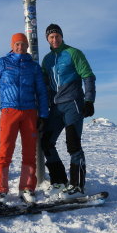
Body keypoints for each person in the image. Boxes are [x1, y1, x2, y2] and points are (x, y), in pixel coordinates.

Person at [0, 33, 49, 203]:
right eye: (17, 44)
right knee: (5, 150)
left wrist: (43, 115)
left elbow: (41, 91)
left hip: (29, 112)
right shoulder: (2, 63)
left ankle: (27, 187)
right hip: (9, 111)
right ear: (12, 46)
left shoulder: (33, 67)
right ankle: (1, 189)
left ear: (27, 46)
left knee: (29, 152)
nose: (20, 47)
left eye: (23, 44)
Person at [41, 23, 96, 199]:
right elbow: (44, 85)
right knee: (46, 142)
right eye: (51, 37)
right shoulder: (47, 60)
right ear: (47, 39)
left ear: (62, 36)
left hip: (73, 104)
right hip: (55, 107)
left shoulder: (73, 53)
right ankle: (60, 181)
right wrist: (43, 109)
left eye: (57, 36)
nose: (54, 39)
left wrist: (89, 100)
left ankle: (77, 186)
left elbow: (88, 76)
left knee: (73, 144)